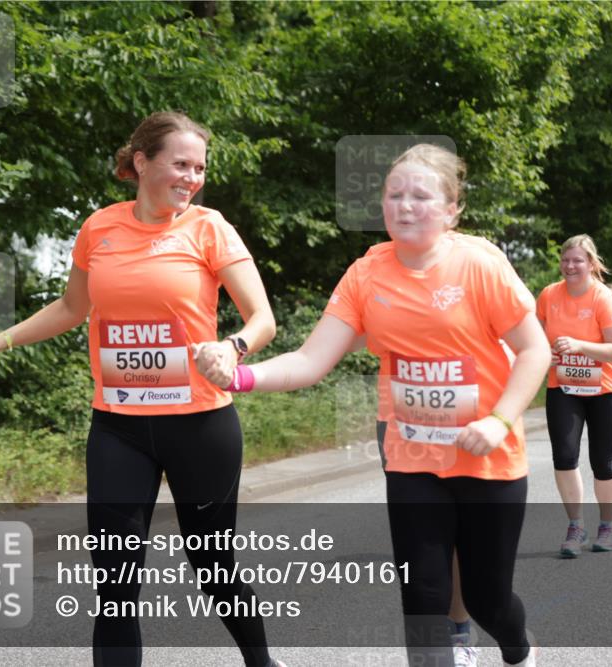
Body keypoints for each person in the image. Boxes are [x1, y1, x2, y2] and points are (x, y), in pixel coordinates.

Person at [0, 112, 284, 667]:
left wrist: (234, 348)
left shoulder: (209, 228)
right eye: (181, 163)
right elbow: (72, 308)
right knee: (115, 586)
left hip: (200, 426)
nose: (192, 177)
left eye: (199, 167)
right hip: (119, 428)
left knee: (215, 571)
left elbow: (262, 317)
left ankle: (262, 662)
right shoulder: (99, 227)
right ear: (140, 162)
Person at [197, 144, 551, 667]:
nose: (404, 206)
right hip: (413, 462)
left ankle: (518, 649)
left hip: (488, 461)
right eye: (393, 195)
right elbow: (311, 360)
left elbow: (534, 348)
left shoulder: (479, 267)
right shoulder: (367, 275)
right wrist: (240, 375)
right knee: (423, 603)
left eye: (420, 196)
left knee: (487, 600)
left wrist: (499, 421)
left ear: (452, 210)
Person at [536, 236, 612, 558]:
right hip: (563, 385)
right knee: (564, 455)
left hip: (605, 388)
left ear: (591, 263)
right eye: (566, 260)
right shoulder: (549, 295)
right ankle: (576, 525)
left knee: (603, 462)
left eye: (578, 260)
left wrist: (580, 346)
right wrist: (542, 355)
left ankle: (607, 526)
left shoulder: (602, 298)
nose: (570, 266)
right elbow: (535, 337)